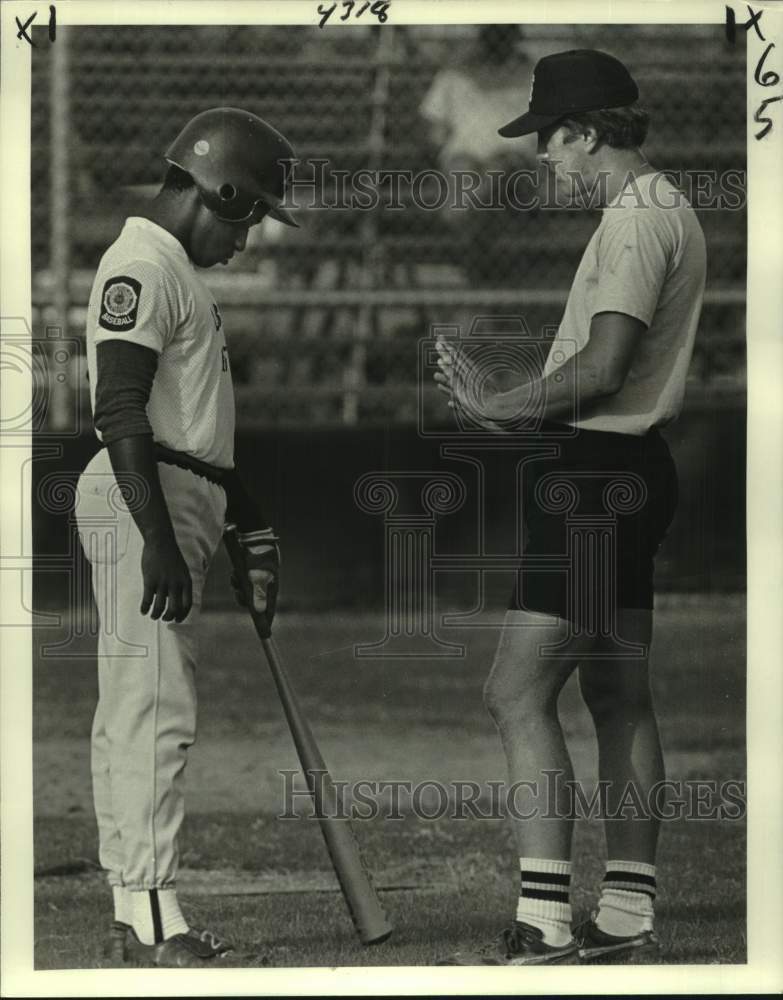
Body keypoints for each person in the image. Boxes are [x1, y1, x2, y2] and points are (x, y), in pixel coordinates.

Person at [434, 50, 706, 965]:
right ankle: (625, 913)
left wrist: (493, 408)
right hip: (629, 470)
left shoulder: (634, 221)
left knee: (515, 692)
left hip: (594, 479)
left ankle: (544, 920)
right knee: (619, 693)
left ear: (587, 133)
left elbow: (604, 367)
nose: (540, 157)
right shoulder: (666, 207)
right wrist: (515, 409)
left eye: (548, 139)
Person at [75, 108, 298, 968]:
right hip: (148, 499)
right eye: (251, 217)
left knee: (138, 703)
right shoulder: (140, 265)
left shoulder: (170, 268)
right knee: (155, 706)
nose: (251, 239)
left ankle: (137, 910)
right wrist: (157, 537)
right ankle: (157, 918)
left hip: (173, 494)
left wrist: (249, 523)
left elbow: (191, 428)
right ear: (222, 192)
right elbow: (120, 409)